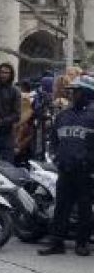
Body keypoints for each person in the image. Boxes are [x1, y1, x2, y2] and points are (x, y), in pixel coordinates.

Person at [38, 75, 94, 257]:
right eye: (72, 91)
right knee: (61, 207)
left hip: (86, 171)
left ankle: (82, 243)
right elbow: (54, 140)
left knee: (84, 208)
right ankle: (57, 243)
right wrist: (56, 157)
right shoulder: (63, 115)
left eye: (77, 91)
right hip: (65, 169)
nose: (73, 94)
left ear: (86, 93)